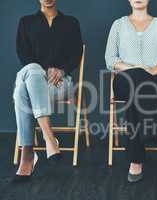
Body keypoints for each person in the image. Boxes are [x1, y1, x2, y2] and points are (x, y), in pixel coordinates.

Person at [105, 0, 157, 183]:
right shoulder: (118, 24)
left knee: (136, 96)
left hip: (154, 82)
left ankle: (135, 161)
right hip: (124, 80)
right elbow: (110, 59)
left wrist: (152, 71)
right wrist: (136, 68)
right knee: (135, 80)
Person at [13, 0, 83, 182]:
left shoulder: (71, 22)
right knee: (30, 72)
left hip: (61, 84)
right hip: (34, 83)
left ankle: (28, 155)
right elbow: (23, 54)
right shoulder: (26, 22)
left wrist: (62, 70)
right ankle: (49, 138)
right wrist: (41, 71)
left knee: (21, 92)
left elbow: (76, 54)